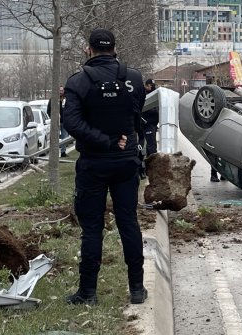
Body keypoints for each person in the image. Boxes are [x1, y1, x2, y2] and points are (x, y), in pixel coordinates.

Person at [62, 28, 147, 305]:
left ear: (89, 49)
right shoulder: (134, 78)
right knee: (128, 222)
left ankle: (88, 292)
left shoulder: (78, 82)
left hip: (94, 163)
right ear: (114, 48)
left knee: (92, 228)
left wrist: (103, 141)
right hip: (126, 161)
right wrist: (120, 141)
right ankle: (136, 288)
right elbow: (135, 115)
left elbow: (72, 123)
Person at [48, 86, 68, 157]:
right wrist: (53, 118)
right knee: (54, 138)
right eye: (59, 90)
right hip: (56, 122)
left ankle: (63, 152)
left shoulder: (66, 99)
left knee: (64, 138)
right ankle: (54, 153)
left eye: (62, 90)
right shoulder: (53, 99)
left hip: (64, 122)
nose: (61, 92)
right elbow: (48, 110)